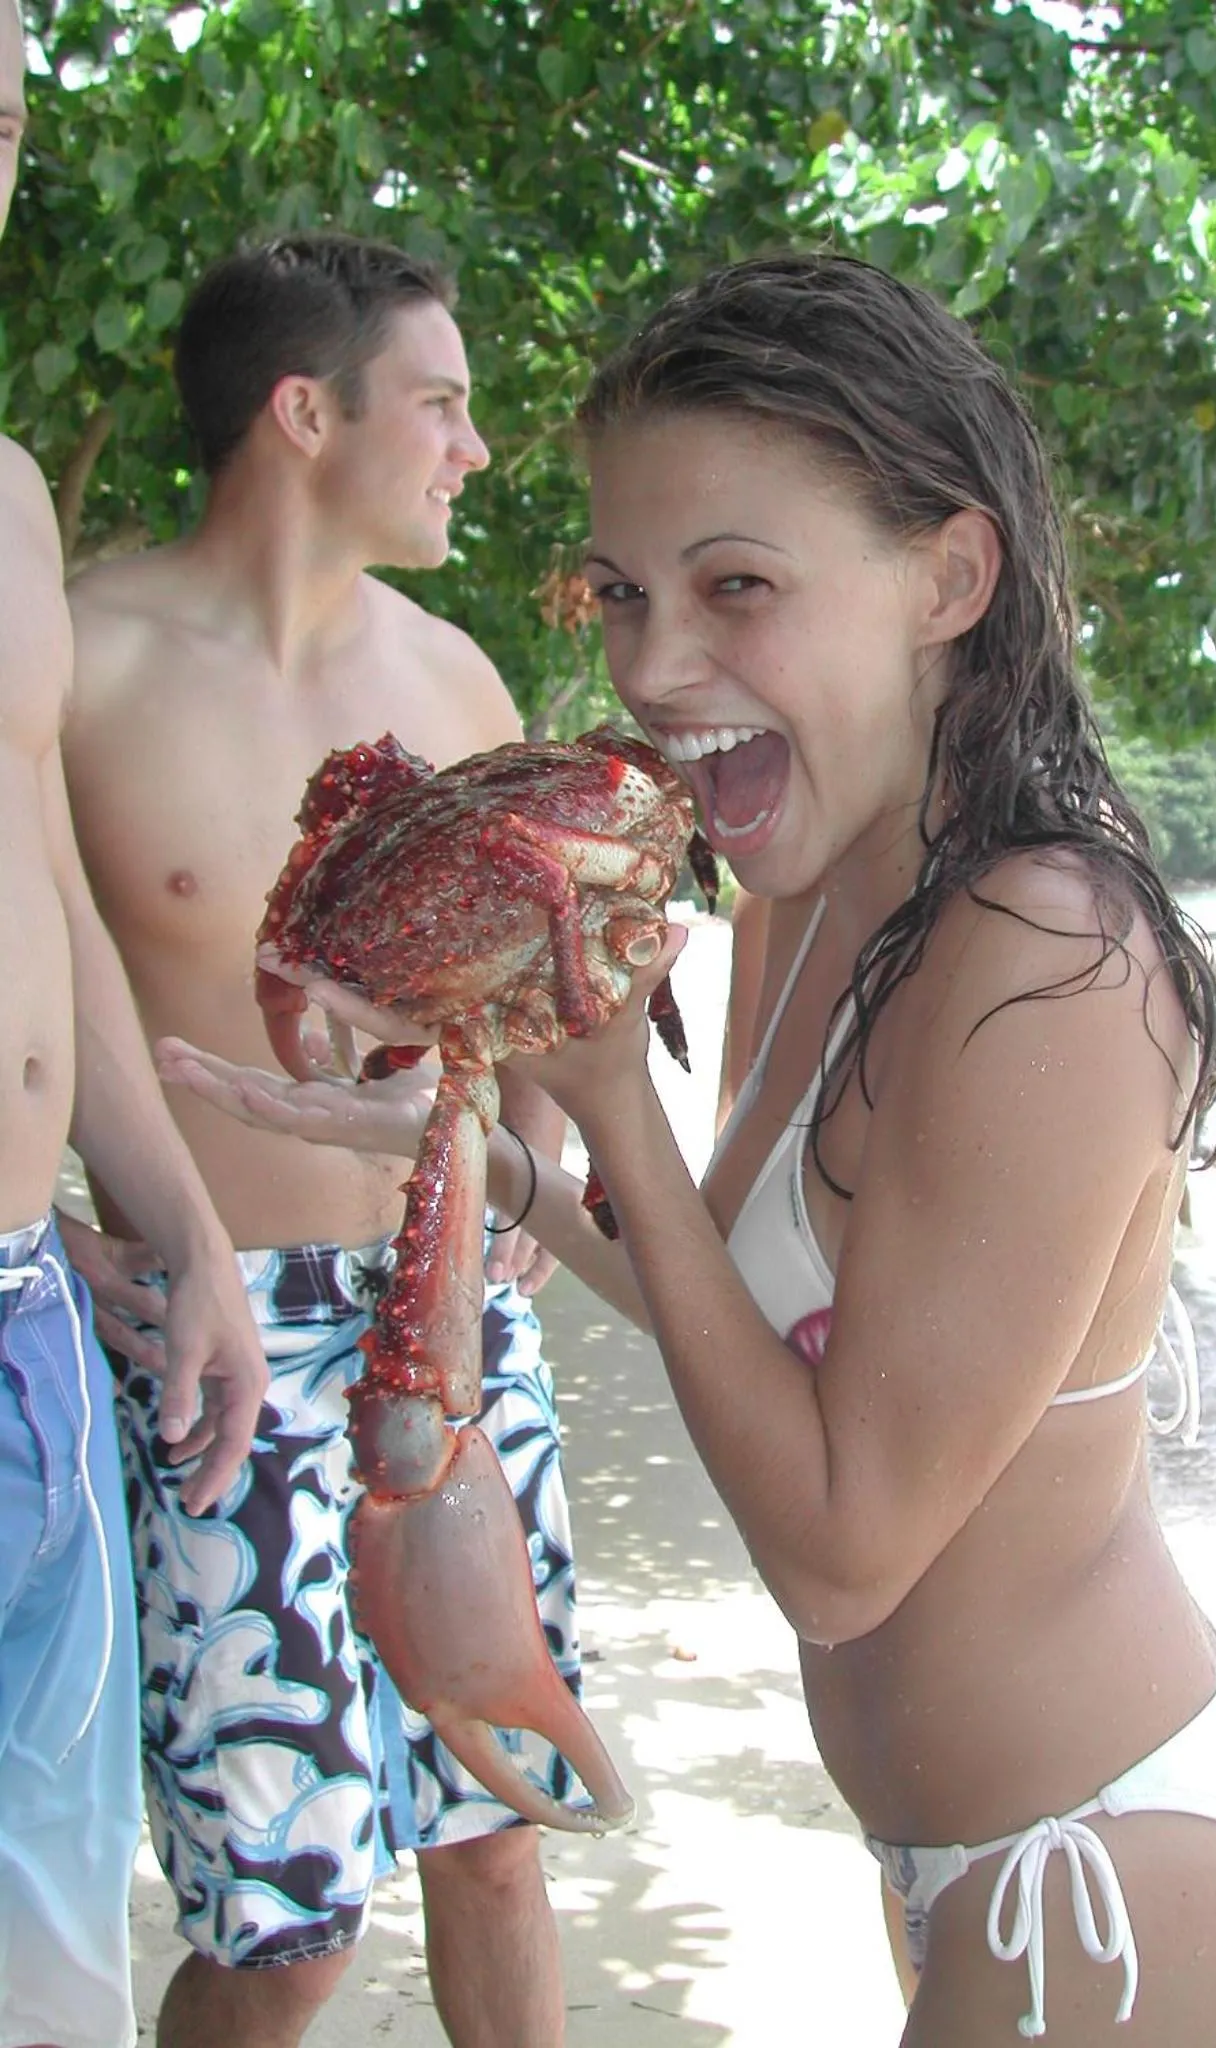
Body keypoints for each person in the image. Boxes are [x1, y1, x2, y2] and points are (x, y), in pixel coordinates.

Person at [160, 253, 1216, 2045]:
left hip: (1127, 1878)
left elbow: (841, 1550)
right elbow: (730, 1309)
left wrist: (611, 1104)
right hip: (960, 1856)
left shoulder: (1047, 948)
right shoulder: (812, 895)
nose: (653, 667)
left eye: (738, 586)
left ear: (949, 580)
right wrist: (489, 1163)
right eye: (622, 592)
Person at [60, 233, 578, 2048]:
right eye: (441, 403)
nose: (474, 448)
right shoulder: (78, 661)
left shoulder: (458, 684)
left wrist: (535, 1156)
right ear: (304, 411)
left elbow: (534, 993)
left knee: (500, 1840)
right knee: (286, 1929)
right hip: (219, 1345)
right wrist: (54, 1231)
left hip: (455, 1318)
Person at [0, 9, 267, 2043]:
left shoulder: (8, 498)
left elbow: (51, 899)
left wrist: (183, 1222)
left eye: (4, 114)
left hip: (33, 1322)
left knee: (55, 1968)